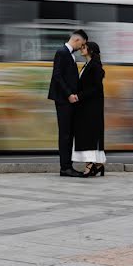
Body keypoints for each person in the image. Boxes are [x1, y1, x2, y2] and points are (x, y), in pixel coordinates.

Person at [47, 29, 87, 177]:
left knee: (68, 134)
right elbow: (57, 76)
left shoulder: (69, 54)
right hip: (63, 100)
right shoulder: (62, 52)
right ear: (77, 40)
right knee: (65, 134)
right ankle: (65, 167)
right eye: (81, 44)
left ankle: (67, 166)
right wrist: (69, 94)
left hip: (68, 100)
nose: (81, 48)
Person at [73, 40, 106, 177]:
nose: (82, 49)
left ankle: (90, 164)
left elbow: (96, 88)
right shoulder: (87, 65)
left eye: (84, 47)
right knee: (87, 134)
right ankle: (98, 165)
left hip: (92, 108)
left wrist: (79, 96)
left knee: (89, 135)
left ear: (90, 50)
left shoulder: (95, 66)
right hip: (87, 106)